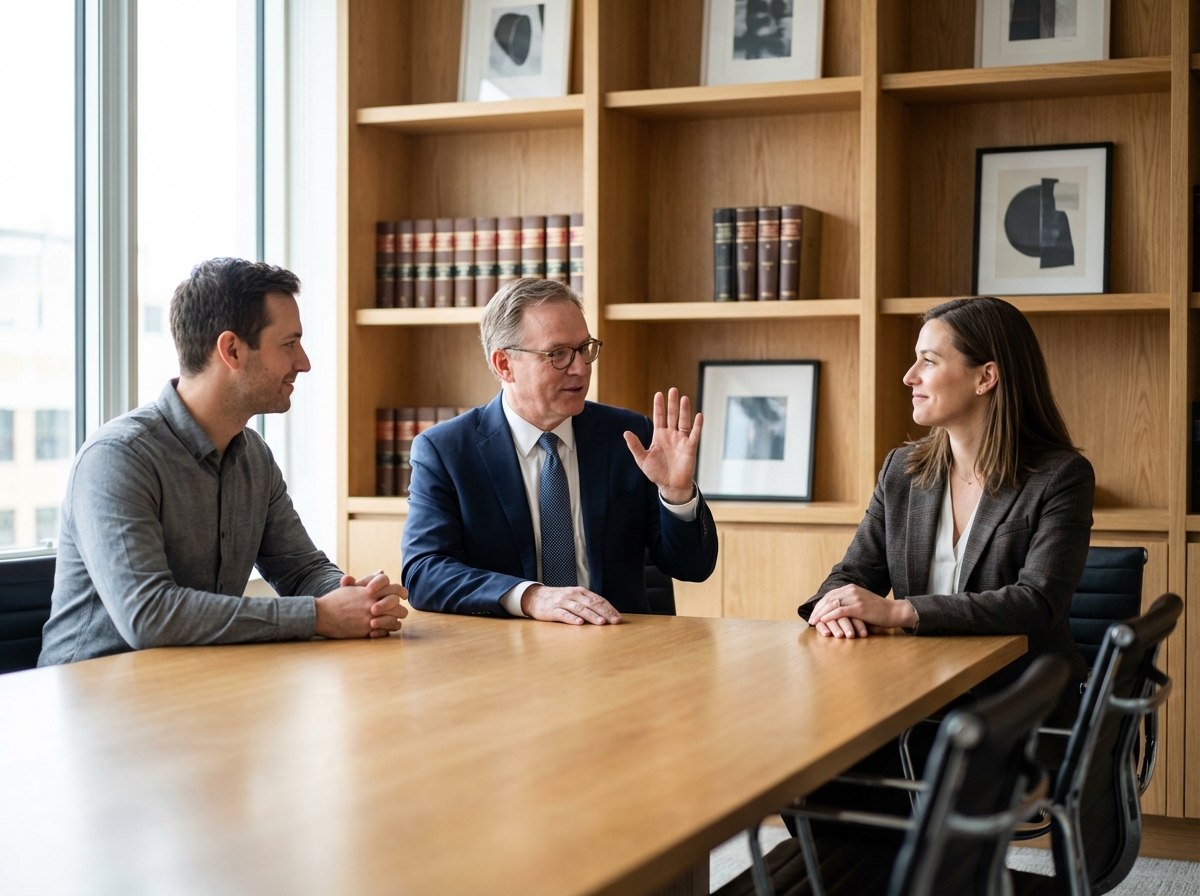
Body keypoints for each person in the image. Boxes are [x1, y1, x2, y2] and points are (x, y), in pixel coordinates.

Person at [39, 259, 406, 666]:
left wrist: (357, 598)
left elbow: (301, 572)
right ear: (231, 350)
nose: (303, 363)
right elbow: (148, 615)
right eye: (289, 344)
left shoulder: (254, 456)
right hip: (90, 705)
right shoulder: (118, 457)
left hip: (196, 686)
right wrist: (320, 615)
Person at [799, 296, 1093, 723]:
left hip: (1023, 713)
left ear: (986, 377)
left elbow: (1037, 602)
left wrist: (902, 611)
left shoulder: (1061, 476)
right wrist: (833, 608)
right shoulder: (901, 471)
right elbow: (852, 575)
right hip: (917, 699)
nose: (909, 376)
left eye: (929, 361)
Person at [401, 278, 719, 624]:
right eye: (558, 354)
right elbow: (424, 572)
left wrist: (677, 494)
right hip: (504, 654)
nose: (581, 368)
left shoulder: (630, 438)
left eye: (585, 349)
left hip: (620, 649)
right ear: (504, 364)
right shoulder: (446, 451)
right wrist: (529, 596)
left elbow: (693, 568)